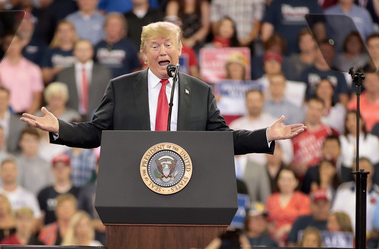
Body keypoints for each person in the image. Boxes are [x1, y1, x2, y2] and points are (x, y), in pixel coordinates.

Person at [21, 21, 306, 153]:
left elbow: (223, 140)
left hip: (185, 187)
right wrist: (60, 126)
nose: (162, 51)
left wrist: (265, 134)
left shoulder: (200, 91)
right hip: (133, 185)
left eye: (168, 44)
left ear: (180, 49)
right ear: (144, 54)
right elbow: (96, 133)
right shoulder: (121, 88)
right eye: (154, 46)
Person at [55, 39, 112, 120]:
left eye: (86, 49)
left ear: (92, 51)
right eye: (80, 49)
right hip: (70, 119)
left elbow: (108, 96)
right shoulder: (64, 74)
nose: (83, 52)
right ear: (74, 51)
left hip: (97, 117)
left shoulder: (104, 72)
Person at [331, 157, 379, 233]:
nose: (361, 172)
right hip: (345, 236)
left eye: (364, 168)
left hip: (369, 239)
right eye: (357, 169)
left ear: (372, 170)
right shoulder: (343, 190)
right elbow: (334, 214)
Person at [0, 34, 43, 115]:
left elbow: (37, 98)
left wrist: (27, 117)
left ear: (21, 44)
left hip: (27, 114)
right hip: (3, 115)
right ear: (4, 46)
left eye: (15, 43)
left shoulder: (33, 69)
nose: (12, 46)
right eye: (8, 43)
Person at [264, 167, 311, 245]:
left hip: (295, 241)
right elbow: (266, 219)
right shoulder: (271, 199)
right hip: (273, 241)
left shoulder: (303, 199)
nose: (286, 183)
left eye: (289, 180)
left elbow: (305, 222)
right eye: (282, 179)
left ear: (296, 182)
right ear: (278, 181)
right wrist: (268, 227)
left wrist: (285, 229)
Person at [37, 153, 81, 226]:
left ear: (70, 168)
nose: (60, 170)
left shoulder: (79, 192)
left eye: (64, 166)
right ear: (52, 170)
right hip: (51, 234)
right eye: (57, 167)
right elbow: (39, 220)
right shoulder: (44, 193)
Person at [93, 13, 141, 78]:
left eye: (116, 25)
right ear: (105, 27)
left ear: (122, 28)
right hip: (102, 85)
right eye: (109, 24)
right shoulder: (98, 46)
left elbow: (136, 69)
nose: (112, 27)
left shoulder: (130, 46)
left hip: (123, 85)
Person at [16, 128, 54, 195]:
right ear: (20, 143)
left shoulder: (46, 164)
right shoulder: (15, 163)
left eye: (34, 140)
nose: (30, 144)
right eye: (27, 140)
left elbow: (50, 187)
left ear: (38, 142)